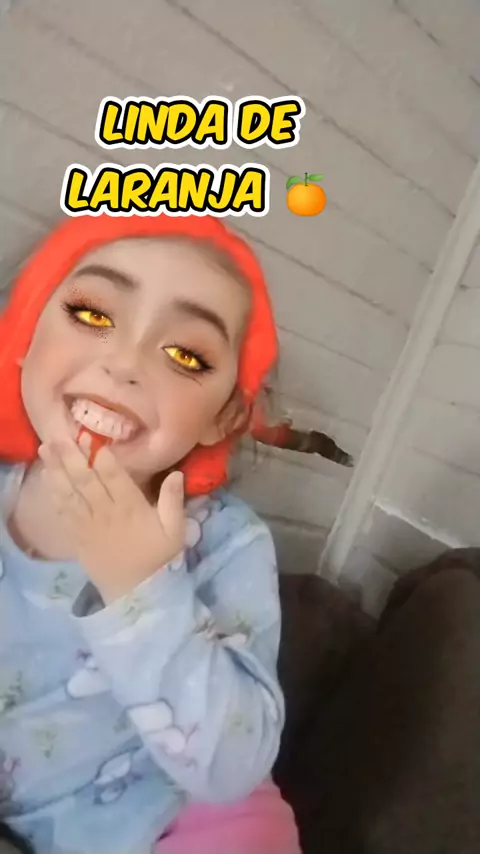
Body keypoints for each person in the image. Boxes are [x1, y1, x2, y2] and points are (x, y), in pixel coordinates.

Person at [0, 214, 301, 854]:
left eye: (186, 356)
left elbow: (233, 765)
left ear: (224, 417)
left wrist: (141, 590)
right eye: (91, 314)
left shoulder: (226, 543)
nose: (125, 364)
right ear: (25, 332)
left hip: (174, 824)